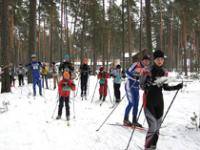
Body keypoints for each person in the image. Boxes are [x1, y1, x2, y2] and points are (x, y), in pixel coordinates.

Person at [141, 50, 183, 150]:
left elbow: (165, 87)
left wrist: (177, 87)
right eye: (158, 59)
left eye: (162, 59)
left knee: (158, 126)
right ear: (154, 60)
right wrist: (147, 84)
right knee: (153, 126)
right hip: (149, 100)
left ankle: (153, 146)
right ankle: (147, 147)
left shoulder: (164, 71)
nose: (160, 61)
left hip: (159, 101)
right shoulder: (147, 70)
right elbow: (142, 86)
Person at [123, 54, 151, 127]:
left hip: (136, 86)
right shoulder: (136, 64)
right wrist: (134, 76)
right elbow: (127, 72)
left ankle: (134, 120)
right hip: (130, 84)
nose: (146, 62)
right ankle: (125, 119)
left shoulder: (146, 68)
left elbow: (145, 78)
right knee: (131, 102)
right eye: (145, 60)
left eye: (148, 61)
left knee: (136, 104)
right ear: (142, 60)